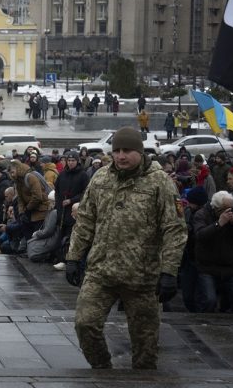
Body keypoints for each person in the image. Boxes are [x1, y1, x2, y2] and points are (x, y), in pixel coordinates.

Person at [65, 127, 187, 369]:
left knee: (145, 345)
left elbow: (174, 228)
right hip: (101, 270)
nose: (121, 156)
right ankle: (103, 371)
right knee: (85, 324)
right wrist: (73, 257)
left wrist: (169, 271)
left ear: (140, 152)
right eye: (117, 151)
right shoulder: (101, 177)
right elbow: (86, 219)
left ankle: (142, 381)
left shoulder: (159, 181)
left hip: (142, 276)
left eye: (127, 151)